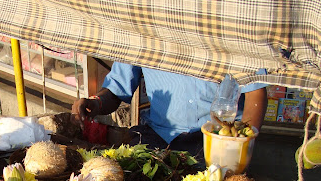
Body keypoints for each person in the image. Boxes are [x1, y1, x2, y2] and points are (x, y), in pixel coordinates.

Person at [71, 62, 267, 157]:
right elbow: (116, 90)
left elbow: (255, 92)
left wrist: (239, 143)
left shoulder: (225, 24)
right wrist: (95, 103)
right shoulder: (143, 29)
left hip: (215, 139)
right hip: (157, 135)